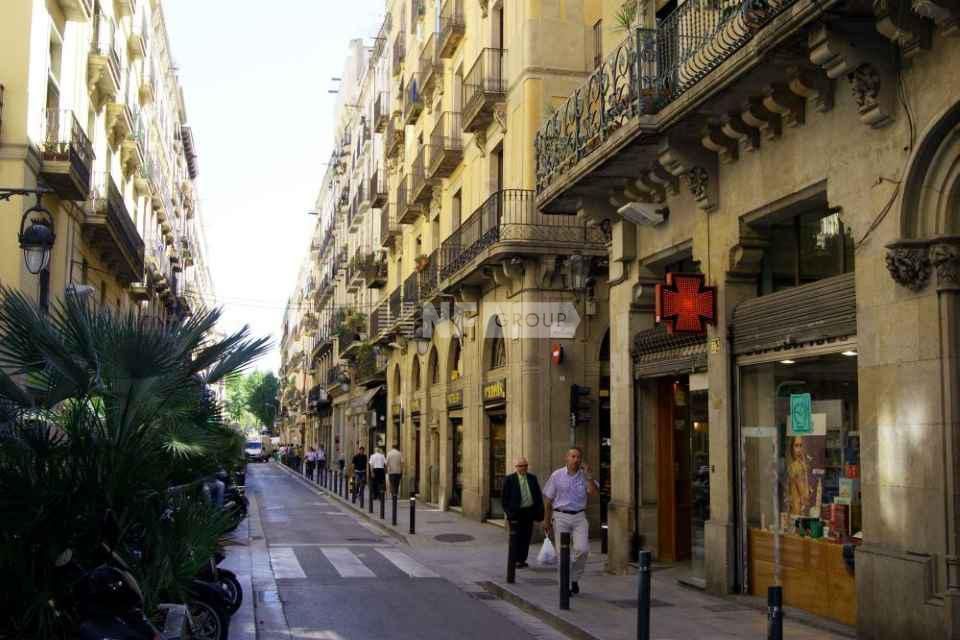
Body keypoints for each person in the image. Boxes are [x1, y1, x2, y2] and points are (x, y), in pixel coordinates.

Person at [543, 446, 598, 595]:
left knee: (583, 549)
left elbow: (593, 492)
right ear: (566, 458)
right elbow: (548, 500)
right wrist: (546, 520)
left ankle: (574, 578)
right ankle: (564, 586)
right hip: (560, 516)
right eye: (573, 456)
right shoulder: (557, 475)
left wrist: (589, 476)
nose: (576, 460)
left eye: (578, 457)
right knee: (563, 553)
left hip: (579, 516)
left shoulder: (584, 476)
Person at [502, 457, 544, 568]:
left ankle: (522, 560)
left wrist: (540, 513)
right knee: (516, 537)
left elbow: (538, 496)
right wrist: (509, 513)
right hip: (516, 513)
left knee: (526, 537)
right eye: (521, 466)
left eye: (525, 465)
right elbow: (504, 499)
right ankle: (514, 560)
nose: (524, 468)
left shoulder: (532, 478)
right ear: (516, 467)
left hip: (528, 512)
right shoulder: (509, 479)